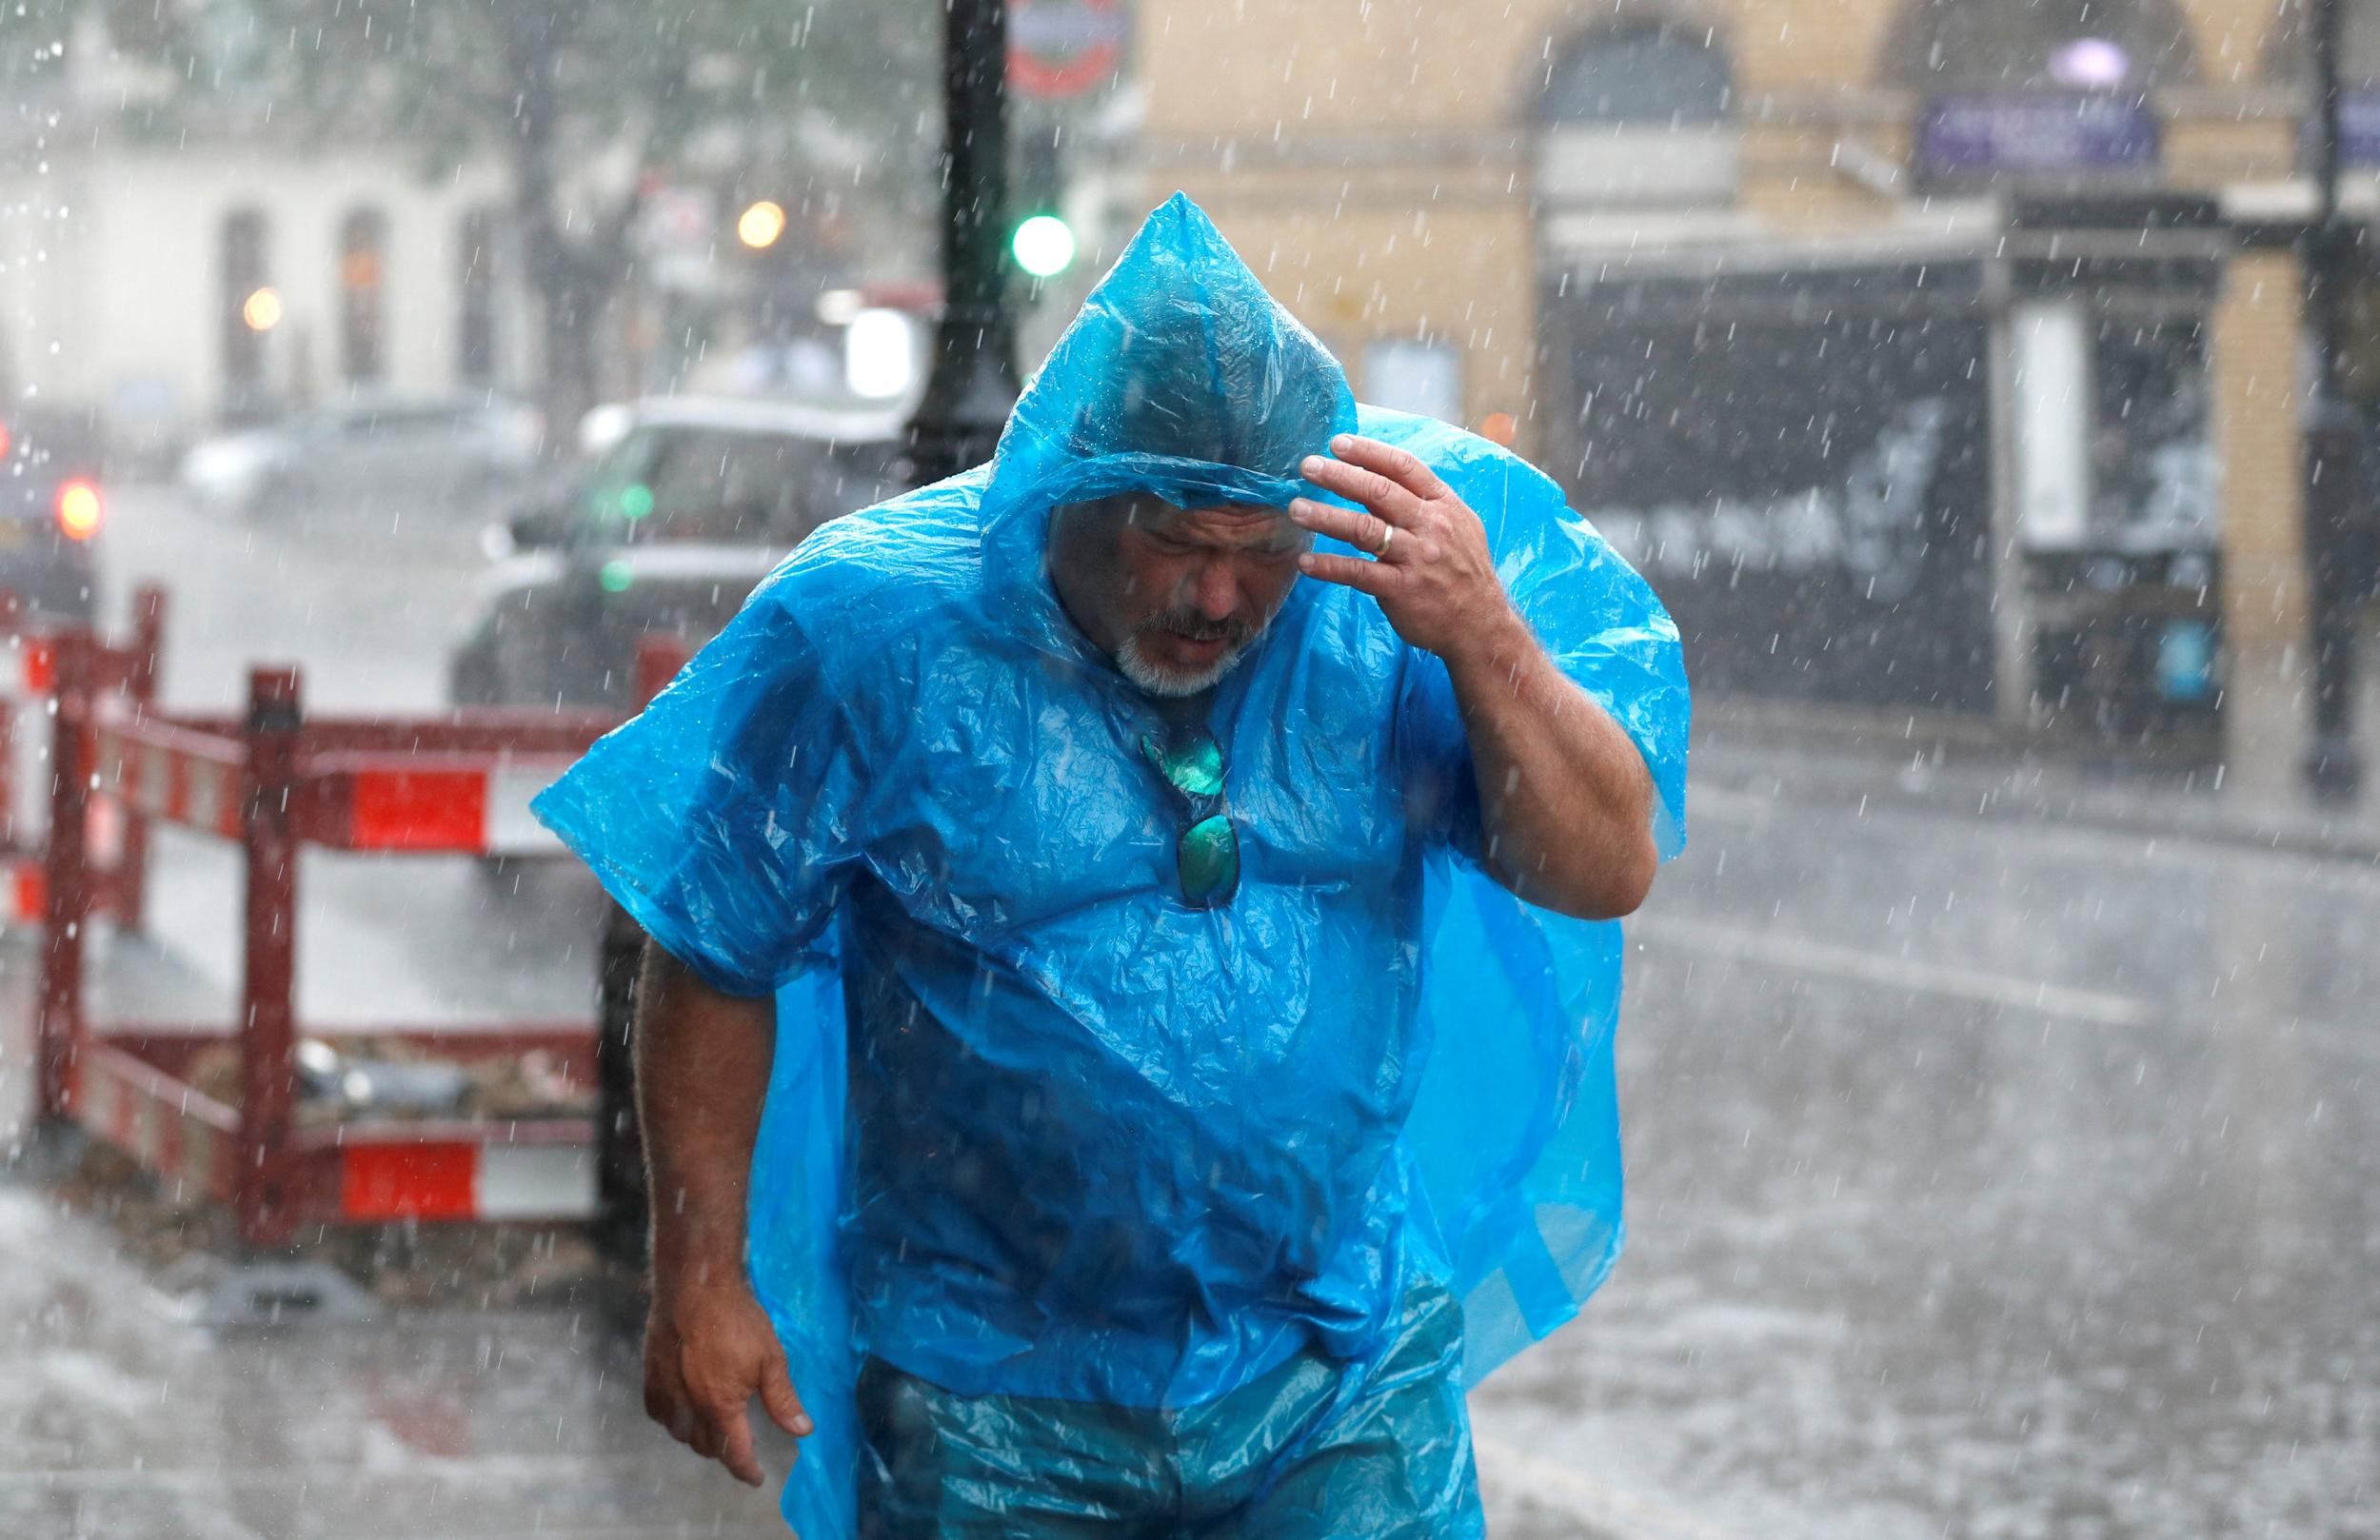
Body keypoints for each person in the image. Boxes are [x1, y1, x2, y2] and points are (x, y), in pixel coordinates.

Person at [534, 194, 1689, 1538]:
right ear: (1066, 494)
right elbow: (717, 942)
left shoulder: (1379, 618)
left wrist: (1487, 639)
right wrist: (700, 1269)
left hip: (1337, 1361)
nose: (1218, 598)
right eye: (1178, 542)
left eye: (1259, 552)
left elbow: (1606, 866)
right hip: (994, 1391)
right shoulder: (875, 634)